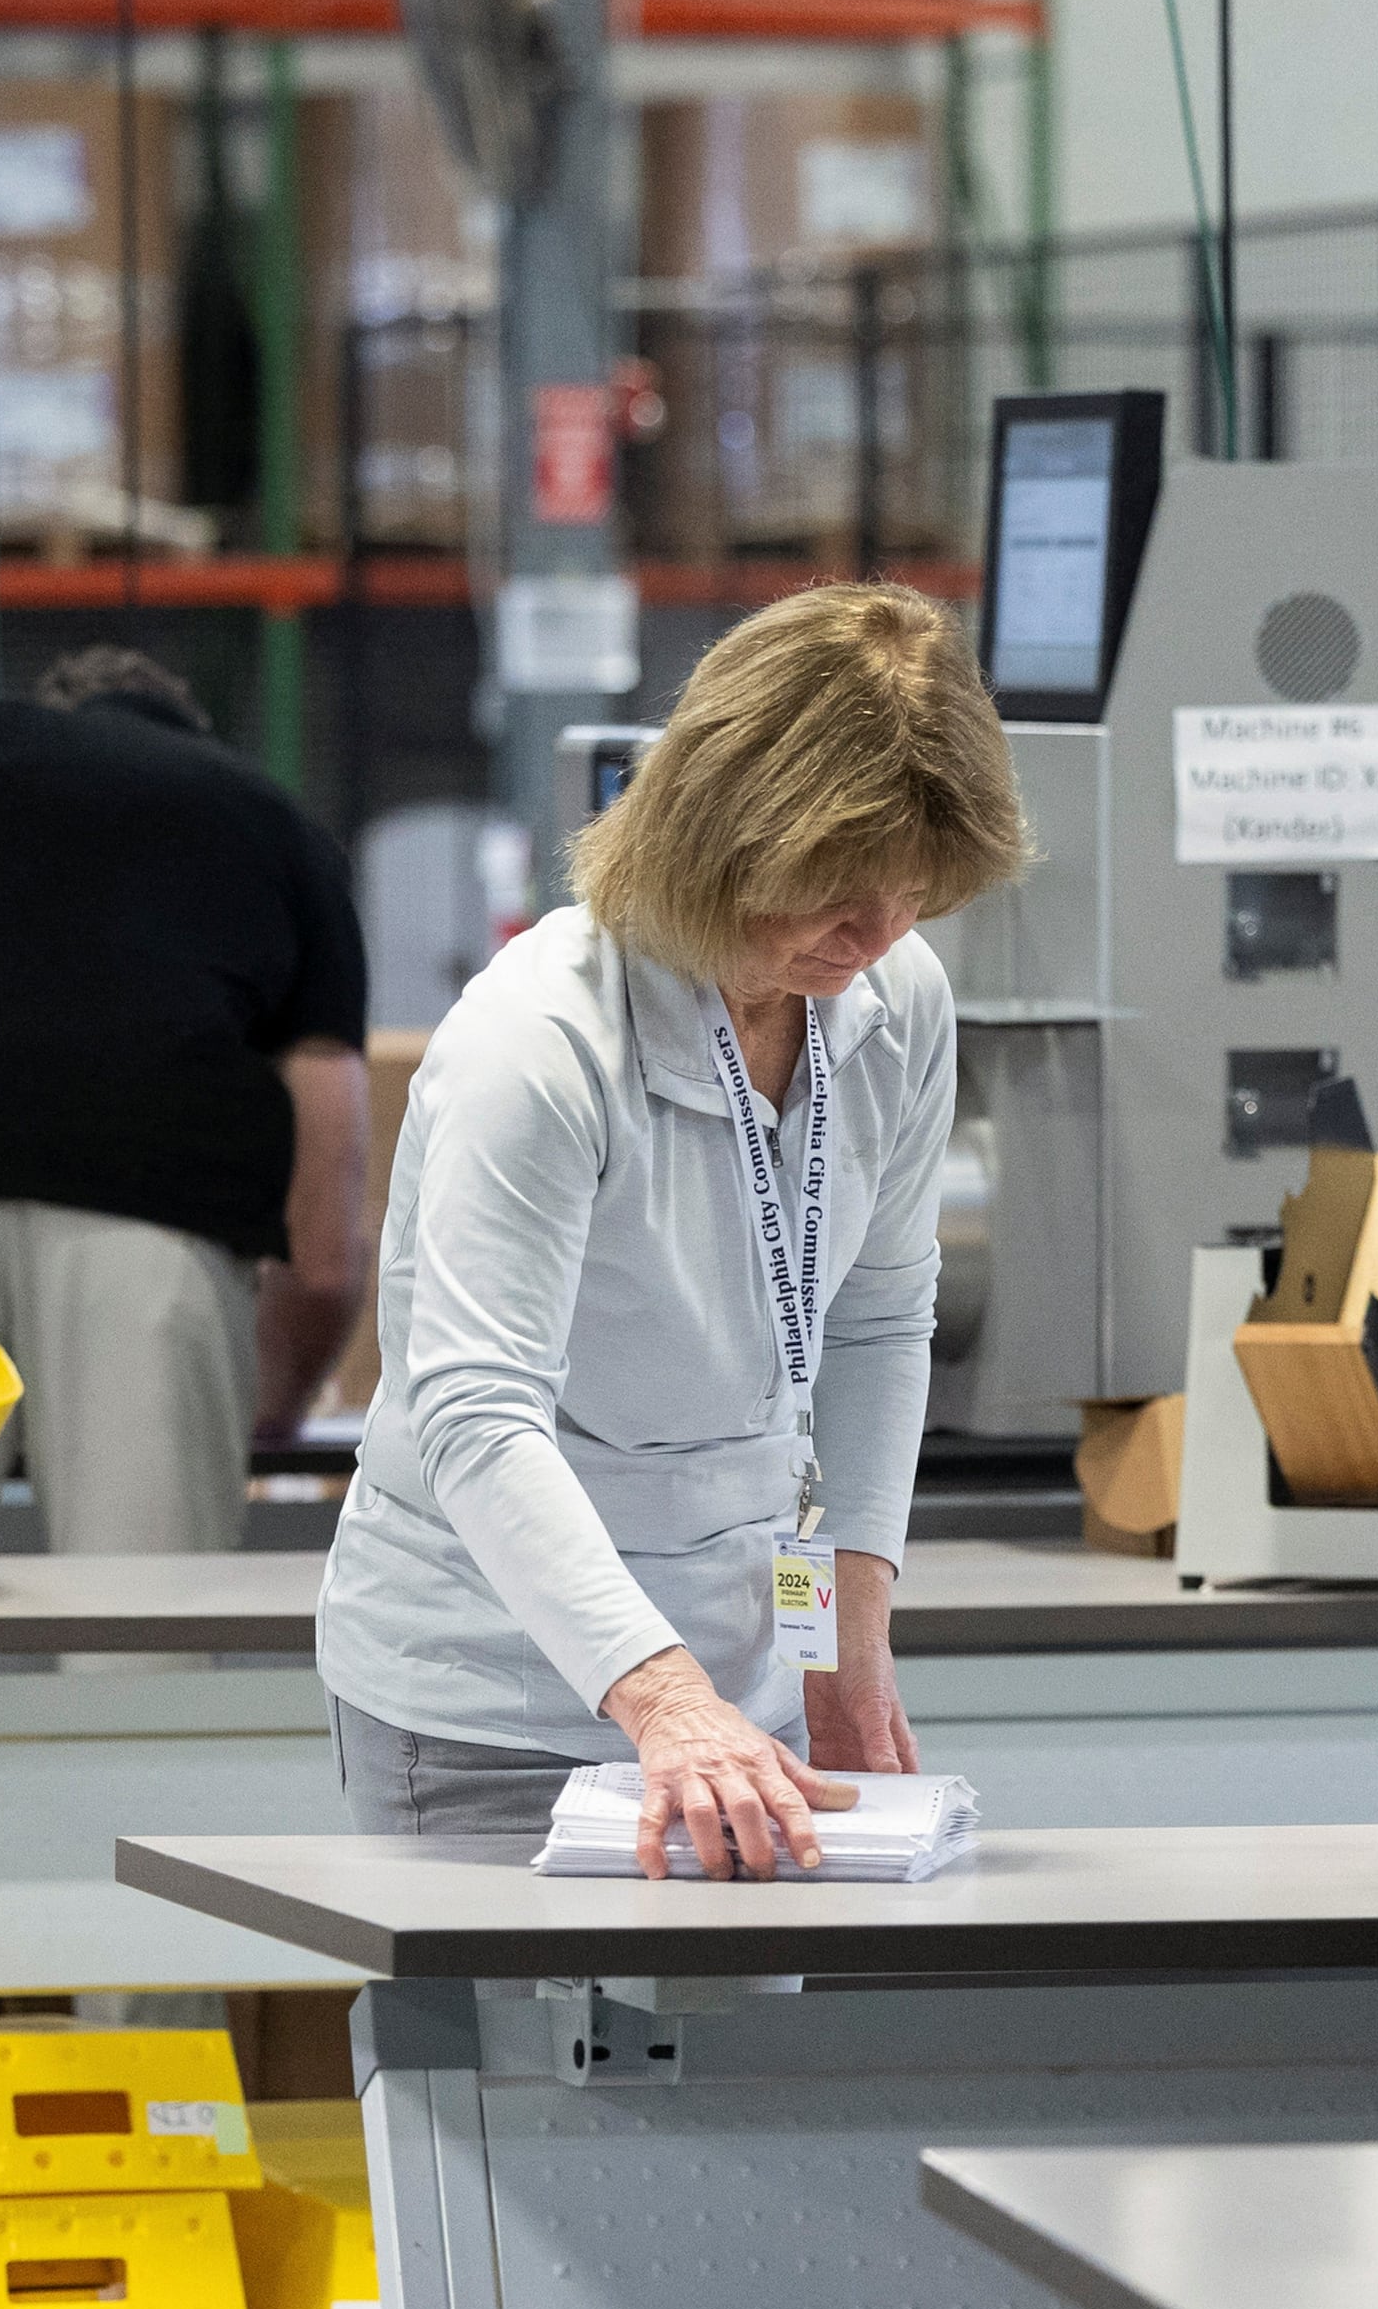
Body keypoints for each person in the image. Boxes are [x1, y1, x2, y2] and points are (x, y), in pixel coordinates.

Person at [315, 583, 1028, 1877]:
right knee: (512, 2077)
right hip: (494, 1693)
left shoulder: (894, 1002)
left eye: (914, 894)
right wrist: (661, 1698)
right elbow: (477, 1410)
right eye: (839, 893)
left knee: (733, 2065)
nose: (876, 938)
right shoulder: (536, 1042)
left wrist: (848, 1646)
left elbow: (875, 1318)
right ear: (728, 833)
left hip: (733, 1687)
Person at [0, 647, 373, 1554]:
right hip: (151, 1219)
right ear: (190, 732)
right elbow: (327, 1237)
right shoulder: (276, 823)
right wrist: (265, 1404)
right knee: (133, 1632)